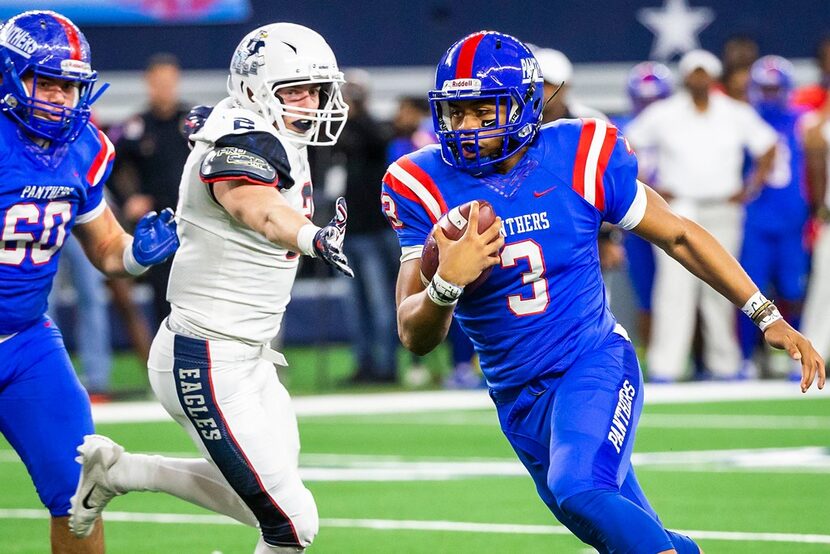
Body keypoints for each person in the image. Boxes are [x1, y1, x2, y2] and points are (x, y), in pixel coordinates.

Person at [382, 30, 825, 554]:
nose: (466, 128)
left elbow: (678, 234)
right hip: (517, 397)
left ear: (524, 105)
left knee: (581, 489)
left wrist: (764, 313)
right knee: (626, 538)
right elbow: (413, 334)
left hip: (590, 362)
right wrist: (446, 283)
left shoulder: (578, 154)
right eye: (455, 112)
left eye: (484, 111)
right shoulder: (419, 182)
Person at [69, 23, 353, 553]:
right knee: (292, 522)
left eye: (314, 90)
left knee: (278, 504)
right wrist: (309, 235)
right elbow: (255, 205)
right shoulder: (244, 139)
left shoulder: (263, 127)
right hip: (205, 357)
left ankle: (118, 471)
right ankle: (121, 473)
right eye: (294, 90)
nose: (310, 103)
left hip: (250, 356)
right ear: (255, 90)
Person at [0, 10, 179, 553]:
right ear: (12, 76)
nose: (57, 98)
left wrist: (135, 254)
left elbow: (104, 245)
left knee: (82, 491)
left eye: (69, 86)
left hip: (27, 341)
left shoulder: (82, 148)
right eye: (46, 82)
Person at [627, 49, 778, 382]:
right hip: (678, 207)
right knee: (673, 287)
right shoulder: (664, 113)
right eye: (693, 73)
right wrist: (649, 184)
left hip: (723, 207)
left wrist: (751, 186)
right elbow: (626, 144)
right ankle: (667, 366)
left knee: (723, 285)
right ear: (685, 77)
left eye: (704, 73)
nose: (699, 79)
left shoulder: (735, 112)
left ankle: (724, 363)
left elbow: (769, 145)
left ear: (712, 77)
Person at [739, 56, 810, 377]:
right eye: (764, 89)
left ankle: (792, 353)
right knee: (746, 291)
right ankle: (745, 355)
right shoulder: (742, 118)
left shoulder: (803, 120)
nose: (769, 95)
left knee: (792, 290)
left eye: (774, 89)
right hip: (754, 218)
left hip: (792, 220)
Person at [109, 53, 192, 328]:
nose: (164, 89)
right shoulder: (136, 125)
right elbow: (105, 162)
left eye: (169, 82)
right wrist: (127, 199)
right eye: (158, 82)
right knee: (164, 298)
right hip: (161, 227)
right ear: (148, 83)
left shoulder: (195, 123)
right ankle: (164, 365)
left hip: (197, 220)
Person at [334, 72, 399, 384]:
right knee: (354, 306)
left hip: (374, 231)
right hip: (351, 233)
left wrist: (358, 111)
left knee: (380, 302)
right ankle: (364, 364)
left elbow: (379, 141)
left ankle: (386, 366)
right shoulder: (343, 131)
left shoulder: (374, 128)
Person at [612, 61, 674, 346]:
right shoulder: (619, 130)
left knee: (680, 289)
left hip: (671, 214)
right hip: (633, 220)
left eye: (655, 100)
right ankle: (651, 356)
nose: (649, 107)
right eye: (643, 100)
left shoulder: (680, 124)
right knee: (644, 293)